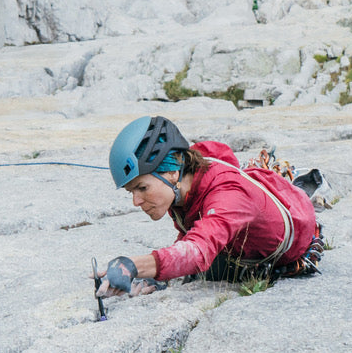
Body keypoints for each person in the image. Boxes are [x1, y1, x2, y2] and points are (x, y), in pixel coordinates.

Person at [96, 116, 323, 297]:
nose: (136, 201)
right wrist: (156, 275)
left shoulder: (227, 196)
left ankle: (303, 186)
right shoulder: (182, 186)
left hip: (286, 250)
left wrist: (134, 266)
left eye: (142, 188)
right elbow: (193, 234)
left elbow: (198, 251)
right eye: (131, 192)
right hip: (234, 236)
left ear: (174, 172)